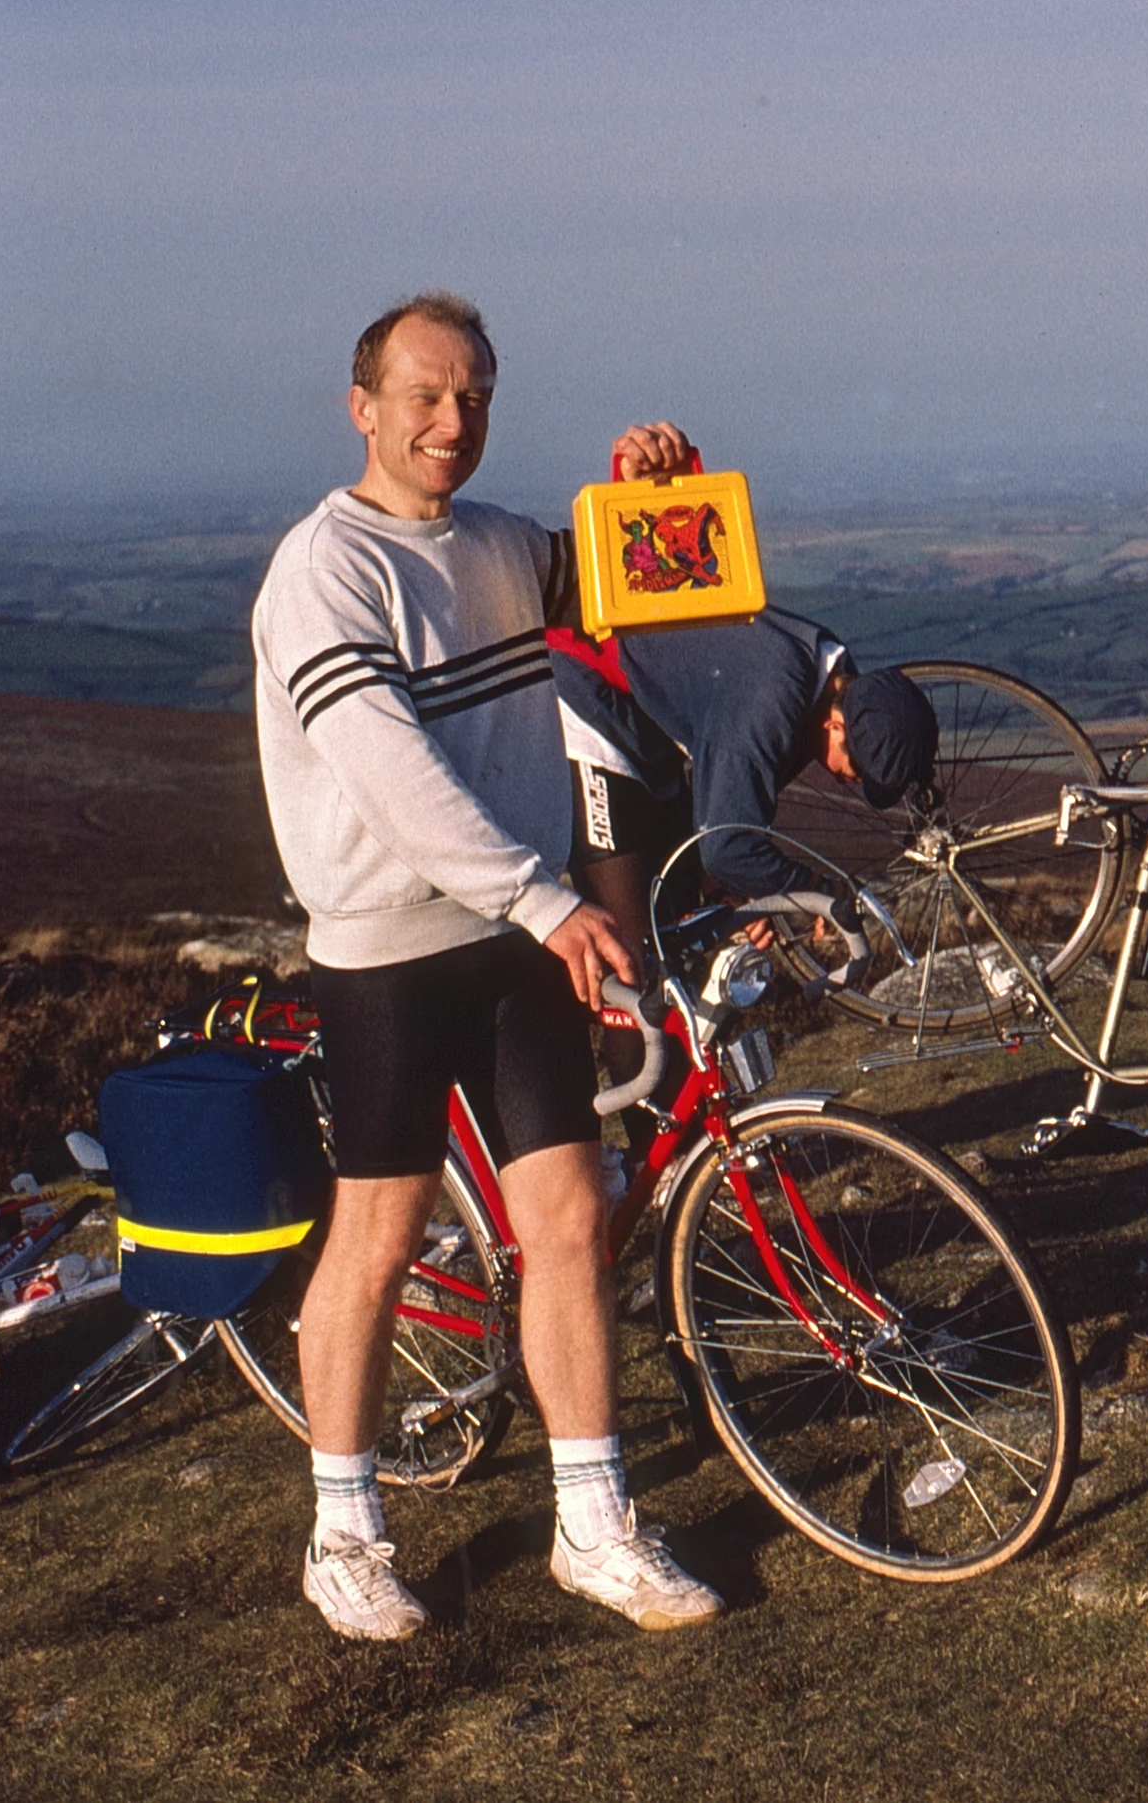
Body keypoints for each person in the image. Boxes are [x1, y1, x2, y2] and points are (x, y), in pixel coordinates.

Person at [250, 291, 723, 1641]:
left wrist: (645, 490)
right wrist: (545, 897)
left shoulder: (504, 546)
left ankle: (594, 1524)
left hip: (515, 939)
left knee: (568, 1217)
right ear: (364, 406)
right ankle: (343, 1533)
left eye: (474, 397)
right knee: (383, 1229)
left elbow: (641, 581)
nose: (452, 420)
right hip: (392, 950)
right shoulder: (326, 570)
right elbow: (393, 776)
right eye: (423, 395)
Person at [548, 596, 940, 953]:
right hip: (590, 695)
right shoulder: (770, 704)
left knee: (684, 944)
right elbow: (728, 848)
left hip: (648, 721)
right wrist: (821, 893)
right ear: (835, 727)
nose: (854, 782)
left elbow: (723, 824)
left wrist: (738, 889)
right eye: (857, 772)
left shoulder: (834, 680)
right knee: (633, 957)